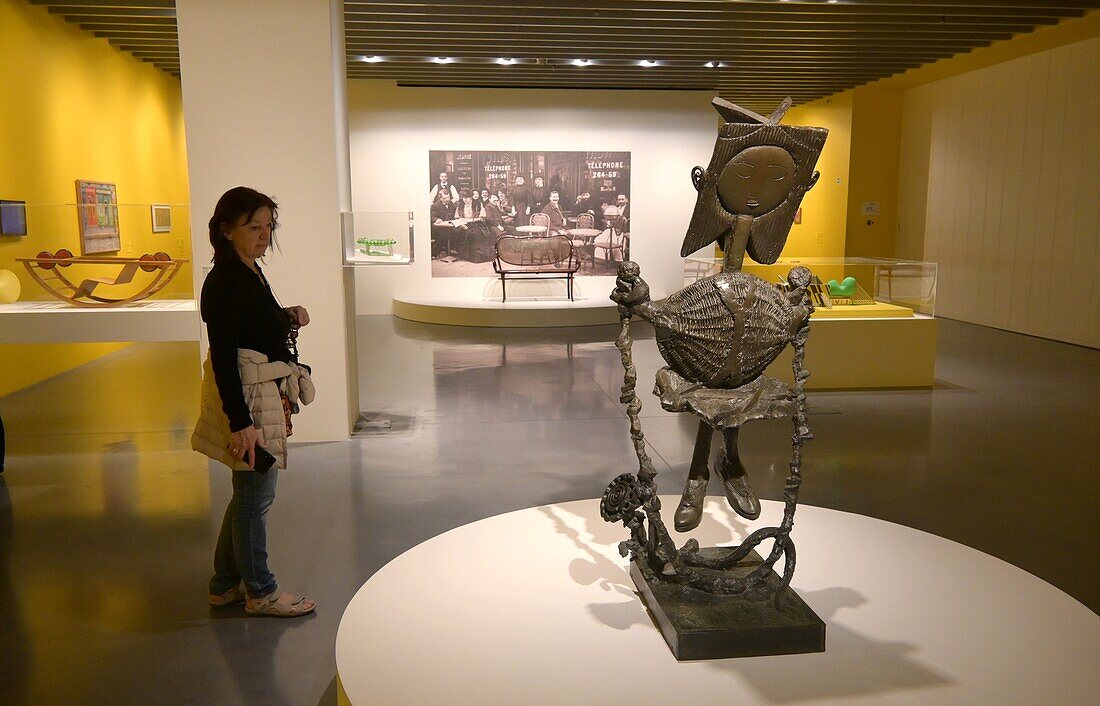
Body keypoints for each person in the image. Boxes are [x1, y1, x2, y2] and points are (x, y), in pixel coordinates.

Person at [191, 186, 317, 618]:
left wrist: (287, 314)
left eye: (268, 226)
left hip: (260, 396)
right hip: (249, 402)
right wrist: (240, 422)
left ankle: (224, 584)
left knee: (248, 492)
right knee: (255, 496)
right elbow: (224, 357)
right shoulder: (225, 281)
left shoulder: (248, 271)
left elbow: (253, 326)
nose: (264, 235)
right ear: (226, 230)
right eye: (253, 227)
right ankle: (260, 591)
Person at [431, 190, 457, 257]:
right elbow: (432, 216)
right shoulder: (435, 206)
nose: (447, 200)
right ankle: (436, 252)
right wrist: (436, 219)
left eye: (448, 197)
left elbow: (454, 215)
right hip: (439, 228)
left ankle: (453, 250)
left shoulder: (451, 204)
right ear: (440, 198)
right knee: (443, 233)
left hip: (450, 226)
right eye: (445, 198)